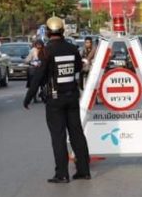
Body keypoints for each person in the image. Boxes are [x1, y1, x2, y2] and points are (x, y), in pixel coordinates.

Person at [23, 17, 91, 183]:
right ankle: (83, 170)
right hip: (72, 96)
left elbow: (39, 76)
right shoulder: (72, 48)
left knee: (58, 136)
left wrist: (29, 96)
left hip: (55, 100)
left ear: (47, 32)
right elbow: (77, 68)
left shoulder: (46, 51)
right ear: (62, 31)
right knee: (77, 134)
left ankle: (62, 173)